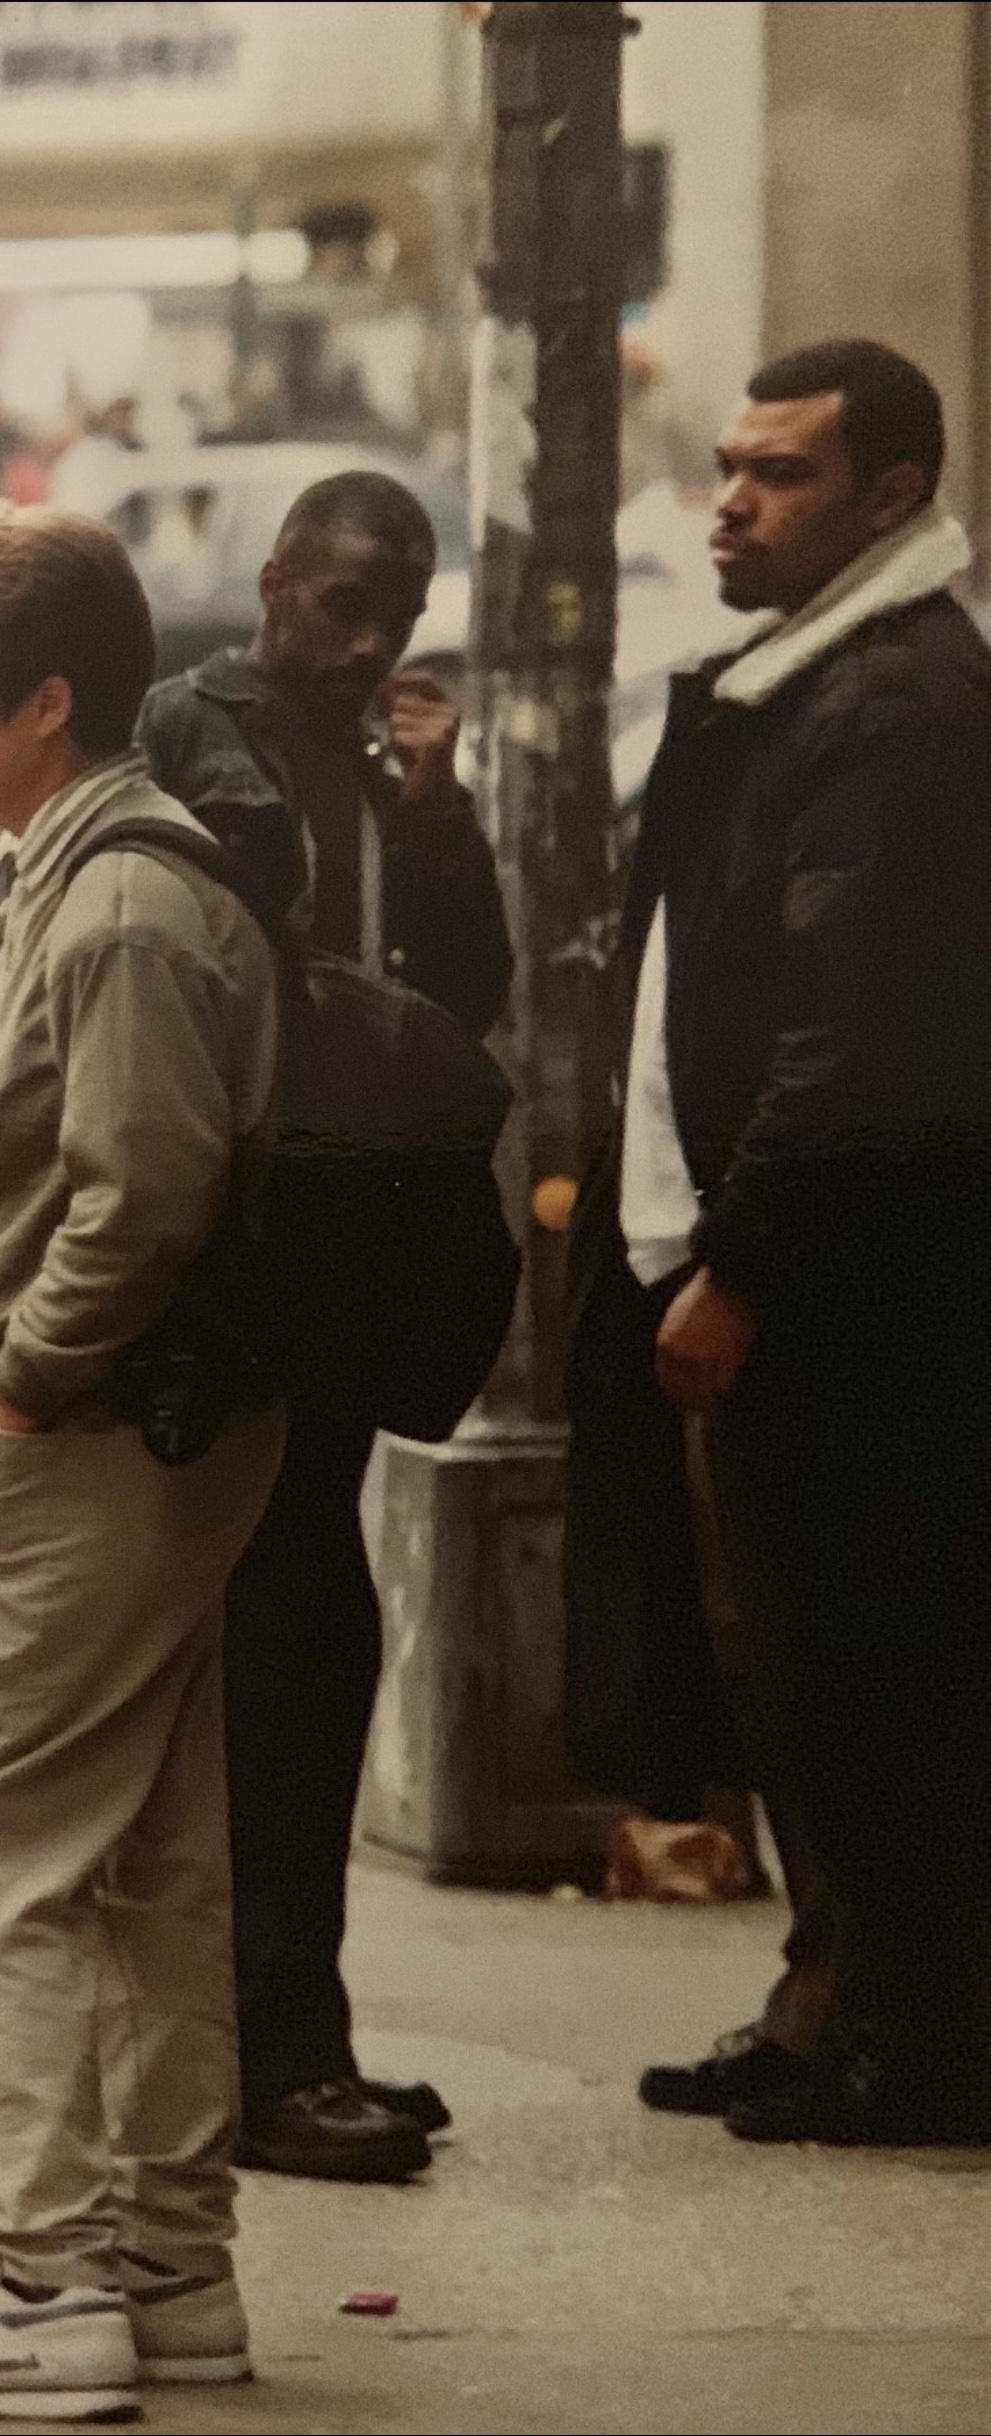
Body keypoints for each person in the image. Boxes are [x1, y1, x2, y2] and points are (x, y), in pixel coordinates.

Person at [571, 339, 991, 2148]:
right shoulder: (808, 679)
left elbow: (853, 1030)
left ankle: (917, 2049)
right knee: (799, 1663)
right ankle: (835, 2005)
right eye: (727, 465)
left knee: (876, 1663)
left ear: (889, 499)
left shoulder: (895, 704)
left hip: (862, 1294)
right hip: (814, 1272)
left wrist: (739, 1263)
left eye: (780, 473)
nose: (729, 499)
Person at [138, 470, 513, 2183]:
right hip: (252, 1258)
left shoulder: (384, 759)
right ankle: (274, 2050)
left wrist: (438, 814)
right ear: (277, 581)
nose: (370, 642)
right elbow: (242, 934)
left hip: (357, 1252)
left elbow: (467, 991)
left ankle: (299, 2031)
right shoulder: (198, 722)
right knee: (279, 1646)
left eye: (401, 612)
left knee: (308, 1636)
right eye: (342, 603)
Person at [0, 508, 284, 2420]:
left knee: (14, 1862)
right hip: (145, 1444)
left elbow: (138, 1194)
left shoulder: (117, 905)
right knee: (154, 1860)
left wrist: (22, 1375)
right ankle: (172, 2276)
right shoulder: (88, 871)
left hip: (96, 1440)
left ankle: (36, 2296)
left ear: (42, 703)